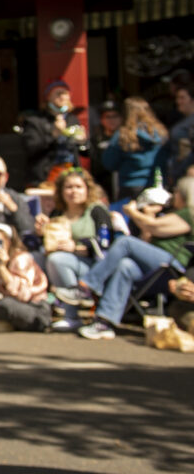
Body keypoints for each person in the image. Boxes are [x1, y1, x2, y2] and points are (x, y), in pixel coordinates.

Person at [75, 175, 194, 340]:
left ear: (184, 194)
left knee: (125, 243)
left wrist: (133, 212)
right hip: (155, 266)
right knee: (126, 265)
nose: (173, 196)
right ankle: (104, 322)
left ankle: (87, 285)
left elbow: (155, 228)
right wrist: (149, 214)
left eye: (176, 192)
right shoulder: (171, 213)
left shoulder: (189, 214)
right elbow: (148, 236)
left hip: (173, 267)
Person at [35, 167, 113, 299]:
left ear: (87, 189)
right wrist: (41, 233)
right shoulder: (57, 213)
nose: (74, 191)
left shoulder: (97, 211)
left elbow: (106, 246)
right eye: (69, 187)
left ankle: (74, 307)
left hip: (93, 265)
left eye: (78, 187)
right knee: (34, 258)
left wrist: (75, 248)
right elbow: (46, 245)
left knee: (57, 260)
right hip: (61, 259)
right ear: (61, 191)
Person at [16, 80, 88, 188]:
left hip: (71, 173)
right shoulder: (35, 121)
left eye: (65, 94)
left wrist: (83, 142)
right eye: (58, 93)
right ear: (48, 97)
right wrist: (54, 134)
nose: (62, 97)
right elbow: (30, 148)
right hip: (45, 177)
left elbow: (86, 152)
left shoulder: (72, 119)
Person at [100, 96, 167, 204]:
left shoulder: (122, 135)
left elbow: (109, 163)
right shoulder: (160, 133)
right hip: (155, 185)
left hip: (130, 186)